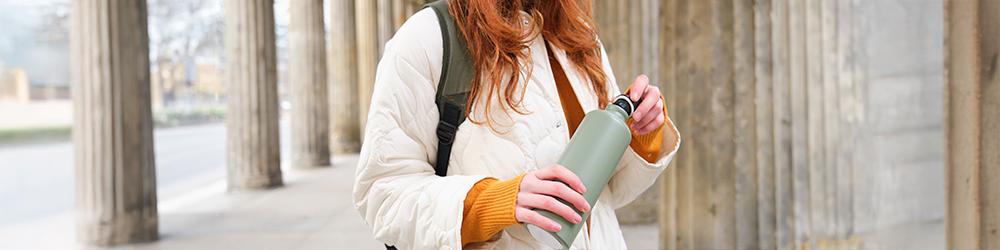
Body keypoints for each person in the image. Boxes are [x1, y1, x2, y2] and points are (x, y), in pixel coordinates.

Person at [352, 0, 680, 248]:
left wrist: (642, 133)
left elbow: (606, 193)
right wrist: (495, 201)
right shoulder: (426, 37)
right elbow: (382, 194)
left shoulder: (577, 33)